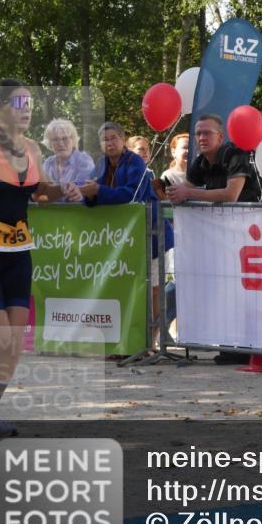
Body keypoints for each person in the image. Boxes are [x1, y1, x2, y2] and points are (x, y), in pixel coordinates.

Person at [0, 79, 81, 436]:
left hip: (18, 251)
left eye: (29, 104)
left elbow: (38, 191)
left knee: (15, 340)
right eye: (18, 104)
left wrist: (63, 190)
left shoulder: (33, 151)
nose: (26, 110)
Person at [165, 114, 260, 364]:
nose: (201, 138)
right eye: (198, 134)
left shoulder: (235, 154)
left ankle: (250, 348)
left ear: (221, 136)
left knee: (245, 291)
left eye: (207, 133)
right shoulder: (199, 163)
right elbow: (185, 191)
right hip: (221, 238)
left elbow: (232, 194)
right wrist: (172, 193)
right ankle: (231, 346)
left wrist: (189, 193)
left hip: (251, 234)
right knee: (224, 290)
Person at [80, 122, 174, 352]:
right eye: (105, 139)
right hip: (120, 239)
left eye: (113, 138)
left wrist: (98, 192)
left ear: (123, 140)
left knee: (153, 288)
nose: (109, 143)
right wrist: (90, 195)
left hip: (151, 234)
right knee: (126, 287)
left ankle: (150, 340)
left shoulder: (135, 162)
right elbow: (90, 194)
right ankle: (125, 340)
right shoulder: (100, 165)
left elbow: (131, 194)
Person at [41, 118, 96, 191]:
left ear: (73, 140)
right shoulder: (48, 163)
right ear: (49, 143)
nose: (60, 143)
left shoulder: (84, 162)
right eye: (55, 139)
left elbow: (80, 192)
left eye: (65, 138)